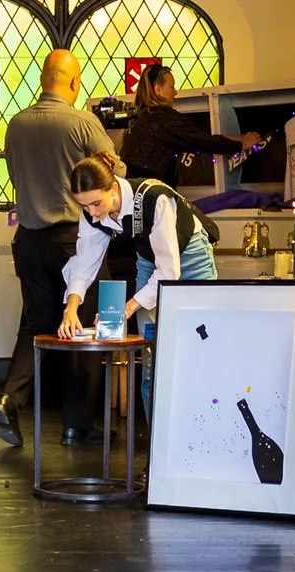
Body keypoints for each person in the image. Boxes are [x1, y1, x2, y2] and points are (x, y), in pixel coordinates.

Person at [0, 48, 114, 449]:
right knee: (86, 323)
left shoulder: (16, 124)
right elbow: (112, 175)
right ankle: (76, 426)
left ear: (43, 80)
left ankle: (11, 398)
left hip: (28, 240)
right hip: (72, 239)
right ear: (74, 83)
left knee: (36, 323)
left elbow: (14, 175)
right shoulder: (82, 123)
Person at [56, 154, 218, 406]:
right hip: (149, 260)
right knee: (151, 350)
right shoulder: (93, 213)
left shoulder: (154, 198)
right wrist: (72, 307)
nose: (92, 213)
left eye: (96, 204)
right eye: (84, 207)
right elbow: (85, 260)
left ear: (113, 188)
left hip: (191, 257)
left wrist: (129, 307)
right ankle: (155, 438)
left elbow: (169, 273)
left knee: (202, 342)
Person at [119, 64, 257, 186]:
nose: (175, 92)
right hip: (152, 192)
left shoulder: (137, 118)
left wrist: (237, 138)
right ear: (158, 89)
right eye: (171, 86)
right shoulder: (163, 118)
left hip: (132, 191)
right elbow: (203, 141)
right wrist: (242, 144)